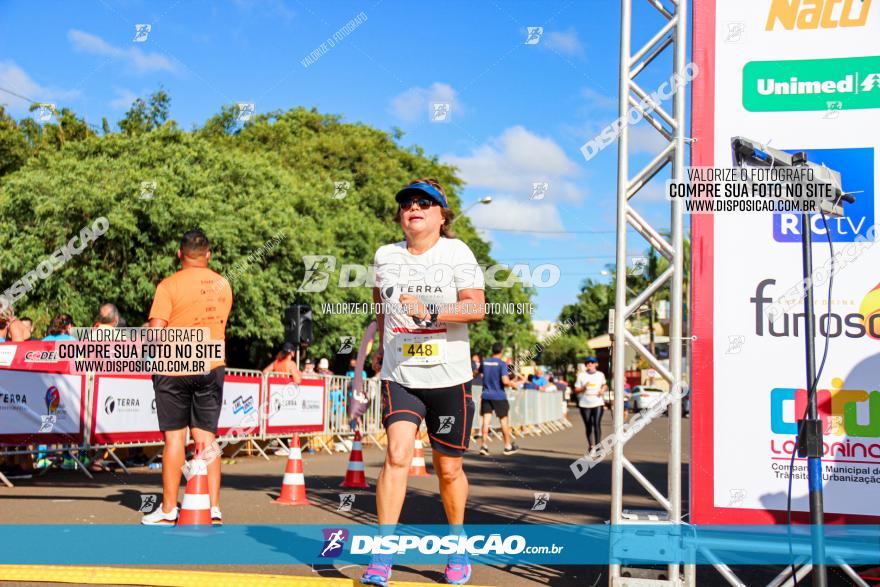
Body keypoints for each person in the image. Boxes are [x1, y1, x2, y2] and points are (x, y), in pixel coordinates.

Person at [363, 178, 485, 586]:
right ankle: (383, 554)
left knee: (447, 469)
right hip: (401, 375)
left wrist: (431, 309)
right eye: (407, 203)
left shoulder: (457, 252)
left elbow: (476, 308)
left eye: (424, 202)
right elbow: (381, 304)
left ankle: (456, 545)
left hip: (450, 378)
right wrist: (379, 345)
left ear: (441, 214)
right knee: (397, 456)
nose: (413, 208)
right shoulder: (385, 255)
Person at [141, 229, 233, 526]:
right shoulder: (223, 284)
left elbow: (155, 333)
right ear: (208, 254)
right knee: (207, 439)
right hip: (210, 363)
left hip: (174, 366)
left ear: (180, 254)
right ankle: (214, 506)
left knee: (174, 439)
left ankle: (169, 509)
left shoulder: (168, 285)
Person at [477, 342, 521, 456]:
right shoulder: (501, 364)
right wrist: (514, 385)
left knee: (486, 421)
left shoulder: (485, 362)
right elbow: (505, 381)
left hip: (486, 395)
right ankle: (507, 446)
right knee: (504, 421)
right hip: (499, 396)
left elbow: (475, 373)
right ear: (501, 351)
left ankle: (483, 446)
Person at [574, 356, 608, 452]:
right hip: (585, 402)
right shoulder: (581, 375)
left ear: (596, 364)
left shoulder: (600, 375)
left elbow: (604, 385)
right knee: (588, 424)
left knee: (596, 423)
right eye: (588, 362)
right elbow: (576, 389)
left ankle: (598, 446)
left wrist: (602, 390)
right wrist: (583, 388)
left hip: (597, 401)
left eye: (592, 362)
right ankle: (591, 445)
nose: (589, 364)